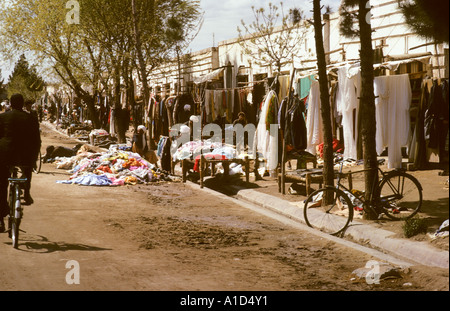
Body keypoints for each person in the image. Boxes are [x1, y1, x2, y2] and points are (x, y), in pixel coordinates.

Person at [0, 94, 41, 232]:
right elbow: (37, 140)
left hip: (5, 154)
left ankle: (0, 219)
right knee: (27, 168)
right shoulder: (31, 118)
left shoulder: (3, 117)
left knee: (1, 184)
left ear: (10, 104)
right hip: (24, 155)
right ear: (23, 104)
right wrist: (33, 158)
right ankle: (27, 193)